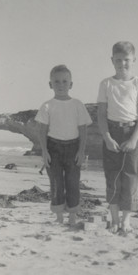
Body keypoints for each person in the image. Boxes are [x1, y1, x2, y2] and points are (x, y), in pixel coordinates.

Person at [97, 41, 138, 234]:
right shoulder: (106, 83)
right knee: (112, 177)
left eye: (126, 60)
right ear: (112, 60)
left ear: (133, 60)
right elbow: (101, 114)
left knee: (130, 178)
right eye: (118, 60)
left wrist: (134, 139)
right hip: (111, 132)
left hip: (133, 132)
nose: (122, 64)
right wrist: (108, 138)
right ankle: (115, 219)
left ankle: (126, 221)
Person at [35, 65, 92, 226]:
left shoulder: (77, 104)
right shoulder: (47, 105)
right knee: (56, 183)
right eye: (57, 81)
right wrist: (45, 152)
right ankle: (59, 216)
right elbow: (42, 130)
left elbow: (83, 130)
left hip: (73, 147)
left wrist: (81, 152)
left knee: (73, 182)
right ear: (50, 84)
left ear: (71, 84)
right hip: (53, 148)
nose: (61, 85)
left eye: (65, 81)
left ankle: (72, 216)